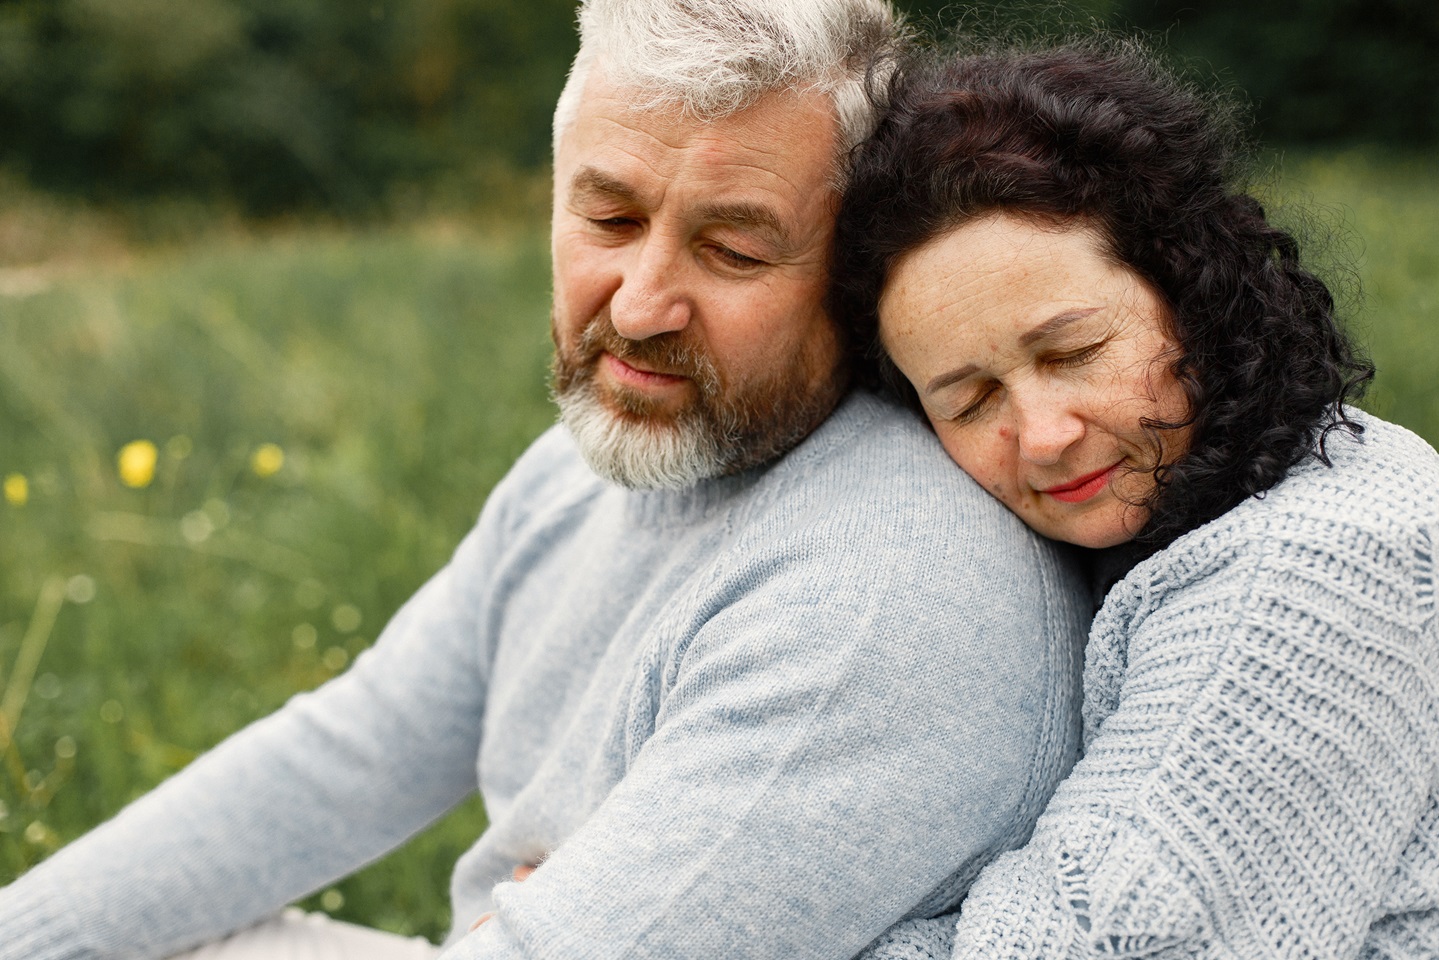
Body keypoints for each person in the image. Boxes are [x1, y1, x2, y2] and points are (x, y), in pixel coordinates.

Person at [0, 4, 1096, 959]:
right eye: (609, 218)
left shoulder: (882, 596)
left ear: (854, 273)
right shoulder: (586, 473)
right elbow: (353, 750)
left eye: (731, 252)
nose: (636, 307)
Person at [831, 39, 1439, 959]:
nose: (1041, 435)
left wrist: (732, 912)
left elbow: (1106, 941)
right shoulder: (1190, 520)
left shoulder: (1314, 562)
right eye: (969, 400)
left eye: (1073, 353)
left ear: (1191, 287)